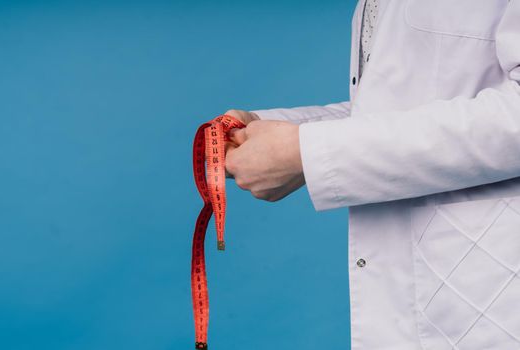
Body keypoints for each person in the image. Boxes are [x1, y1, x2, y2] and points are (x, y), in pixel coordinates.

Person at [223, 1, 520, 349]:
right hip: (424, 293)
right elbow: (396, 108)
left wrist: (308, 150)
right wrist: (280, 135)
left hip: (492, 298)